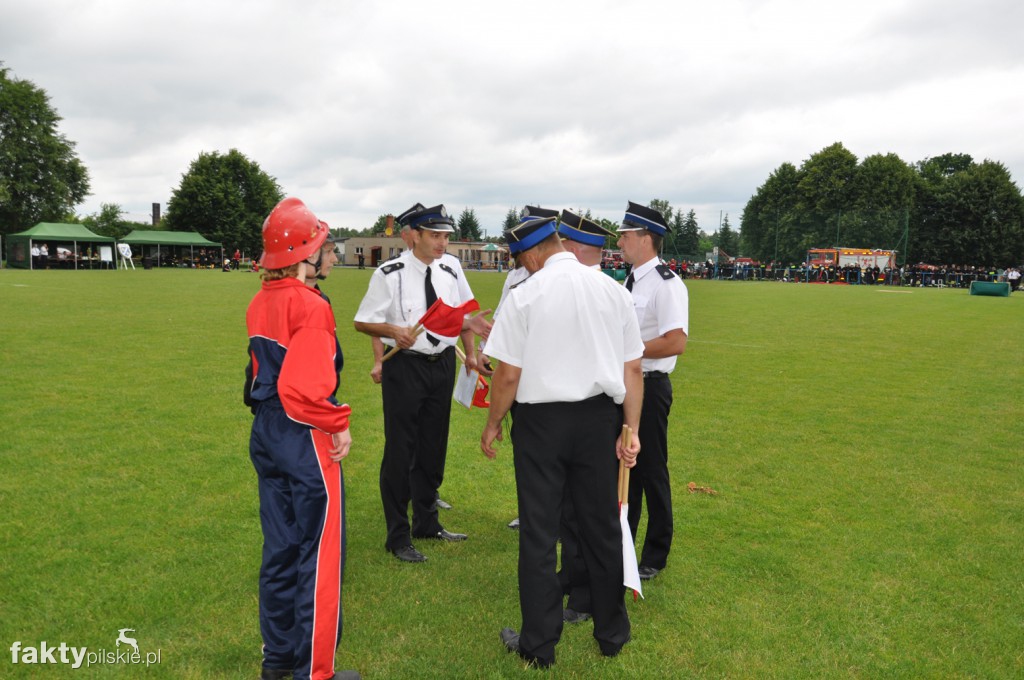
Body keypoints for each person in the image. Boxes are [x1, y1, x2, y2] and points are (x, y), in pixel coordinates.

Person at [481, 216, 643, 668]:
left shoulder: (524, 295)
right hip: (599, 419)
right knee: (601, 527)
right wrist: (631, 431)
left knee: (539, 531)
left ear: (531, 254)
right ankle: (612, 633)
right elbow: (632, 370)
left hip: (540, 424)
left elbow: (508, 375)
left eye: (520, 260)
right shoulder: (612, 289)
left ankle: (539, 644)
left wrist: (493, 423)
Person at [244, 198, 358, 680]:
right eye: (323, 247)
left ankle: (279, 661)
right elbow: (302, 392)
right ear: (304, 256)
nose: (330, 256)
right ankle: (314, 672)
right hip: (303, 435)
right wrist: (339, 422)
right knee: (319, 555)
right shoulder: (309, 305)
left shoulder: (260, 299)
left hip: (267, 433)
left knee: (282, 550)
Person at [354, 203, 484, 563]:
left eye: (446, 236)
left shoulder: (451, 268)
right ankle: (397, 535)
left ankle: (427, 521)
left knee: (433, 447)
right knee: (400, 450)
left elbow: (462, 316)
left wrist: (470, 346)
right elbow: (363, 321)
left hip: (441, 364)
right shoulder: (389, 272)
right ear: (416, 236)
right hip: (405, 368)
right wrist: (393, 330)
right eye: (436, 236)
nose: (443, 243)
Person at [617, 201, 689, 581]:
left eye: (626, 234)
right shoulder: (628, 279)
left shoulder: (666, 283)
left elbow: (676, 341)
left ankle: (655, 554)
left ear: (646, 239)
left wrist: (631, 351)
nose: (620, 240)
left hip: (651, 385)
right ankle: (623, 543)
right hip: (626, 384)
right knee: (626, 465)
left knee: (651, 469)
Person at [554, 208, 618, 623]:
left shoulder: (566, 290)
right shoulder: (614, 289)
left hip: (568, 414)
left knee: (575, 514)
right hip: (607, 412)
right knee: (593, 514)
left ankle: (581, 596)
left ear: (574, 247)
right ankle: (598, 602)